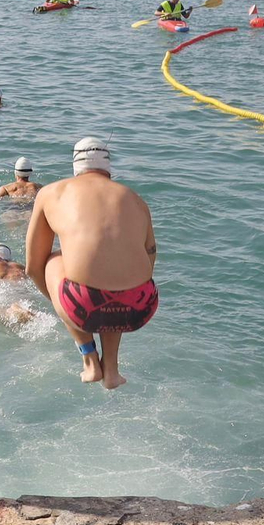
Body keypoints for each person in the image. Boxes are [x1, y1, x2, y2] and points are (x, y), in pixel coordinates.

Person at [27, 138, 156, 390]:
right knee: (115, 271)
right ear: (108, 169)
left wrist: (62, 305)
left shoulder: (51, 193)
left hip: (81, 305)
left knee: (54, 260)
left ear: (76, 167)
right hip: (142, 305)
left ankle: (90, 361)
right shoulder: (136, 199)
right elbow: (150, 257)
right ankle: (112, 370)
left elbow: (33, 266)